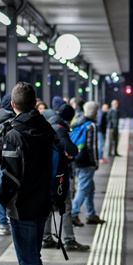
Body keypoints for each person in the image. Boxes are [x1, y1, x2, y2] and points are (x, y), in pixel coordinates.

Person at [0, 83, 55, 265]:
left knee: (29, 263)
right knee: (34, 259)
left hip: (22, 208)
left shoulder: (14, 134)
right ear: (35, 103)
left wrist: (4, 203)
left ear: (13, 104)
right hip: (43, 204)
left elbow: (10, 178)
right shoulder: (46, 128)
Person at [43, 103, 88, 252]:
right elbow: (72, 150)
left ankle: (46, 238)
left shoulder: (49, 124)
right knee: (66, 206)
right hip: (60, 174)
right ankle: (69, 240)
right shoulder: (61, 129)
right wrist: (69, 153)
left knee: (49, 205)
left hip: (47, 172)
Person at [70, 100, 105, 227]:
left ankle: (91, 215)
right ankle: (73, 214)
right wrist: (95, 163)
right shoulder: (91, 126)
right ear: (95, 112)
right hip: (86, 163)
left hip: (77, 160)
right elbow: (92, 147)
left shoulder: (77, 121)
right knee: (84, 189)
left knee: (90, 188)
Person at [0, 94, 16, 236]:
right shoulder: (12, 120)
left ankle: (3, 224)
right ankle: (12, 221)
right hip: (11, 160)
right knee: (12, 192)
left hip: (0, 161)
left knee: (1, 192)